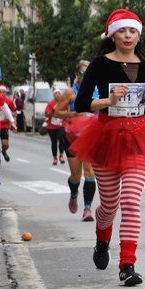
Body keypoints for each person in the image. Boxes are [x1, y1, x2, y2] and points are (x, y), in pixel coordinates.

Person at [71, 9, 145, 286]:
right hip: (106, 136)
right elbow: (80, 104)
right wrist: (108, 102)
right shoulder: (100, 64)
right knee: (110, 205)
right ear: (112, 35)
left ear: (139, 34)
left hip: (140, 136)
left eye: (133, 31)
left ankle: (127, 264)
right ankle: (102, 241)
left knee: (131, 201)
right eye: (123, 31)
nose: (128, 36)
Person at [53, 60, 98, 222]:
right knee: (76, 175)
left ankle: (87, 209)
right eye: (82, 73)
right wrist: (73, 115)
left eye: (89, 73)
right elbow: (56, 112)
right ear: (77, 75)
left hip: (91, 134)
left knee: (90, 171)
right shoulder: (70, 93)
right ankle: (73, 192)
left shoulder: (97, 90)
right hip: (72, 135)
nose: (85, 77)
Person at [0, 85, 16, 162]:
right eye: (0, 92)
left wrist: (9, 116)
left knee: (5, 144)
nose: (1, 93)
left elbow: (14, 111)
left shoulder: (9, 101)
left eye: (3, 92)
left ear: (5, 93)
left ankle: (4, 151)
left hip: (4, 125)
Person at [45, 89, 66, 165]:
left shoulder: (64, 103)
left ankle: (61, 155)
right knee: (54, 142)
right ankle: (54, 158)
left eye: (59, 93)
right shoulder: (51, 103)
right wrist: (53, 111)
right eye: (56, 93)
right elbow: (47, 114)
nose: (58, 95)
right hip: (52, 125)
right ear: (54, 95)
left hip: (61, 124)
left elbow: (67, 112)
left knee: (61, 139)